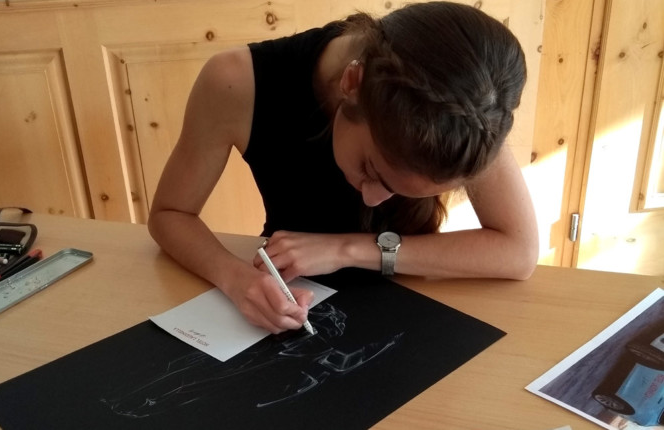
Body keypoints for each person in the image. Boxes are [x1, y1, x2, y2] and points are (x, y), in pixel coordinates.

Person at [148, 1, 539, 334]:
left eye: (399, 190)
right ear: (352, 82)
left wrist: (347, 249)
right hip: (288, 294)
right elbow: (170, 214)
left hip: (412, 305)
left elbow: (519, 252)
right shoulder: (237, 82)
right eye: (371, 170)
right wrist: (237, 280)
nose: (372, 199)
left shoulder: (466, 110)